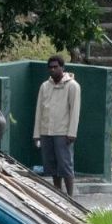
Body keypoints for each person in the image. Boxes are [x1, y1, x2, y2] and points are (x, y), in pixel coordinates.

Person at [33, 54, 82, 196]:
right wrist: (37, 135)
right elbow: (39, 111)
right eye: (50, 67)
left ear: (62, 68)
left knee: (65, 164)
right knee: (51, 165)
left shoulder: (72, 86)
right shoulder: (45, 86)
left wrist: (72, 133)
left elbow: (75, 111)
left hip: (63, 132)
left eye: (56, 67)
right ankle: (58, 192)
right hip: (46, 131)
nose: (53, 70)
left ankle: (70, 195)